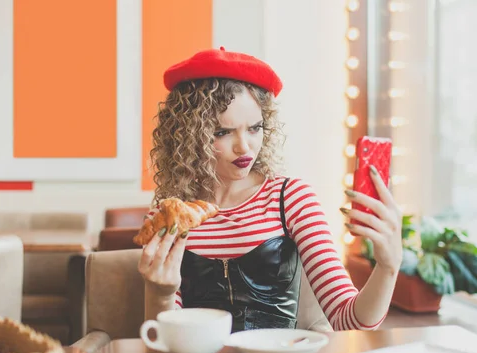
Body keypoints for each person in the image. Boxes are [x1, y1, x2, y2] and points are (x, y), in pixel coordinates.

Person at [138, 47, 402, 332]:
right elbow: (162, 339)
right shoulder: (169, 216)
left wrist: (387, 269)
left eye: (254, 128)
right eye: (222, 132)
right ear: (189, 137)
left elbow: (347, 321)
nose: (245, 146)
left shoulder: (291, 199)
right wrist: (161, 293)